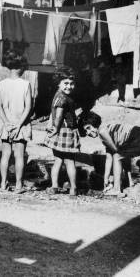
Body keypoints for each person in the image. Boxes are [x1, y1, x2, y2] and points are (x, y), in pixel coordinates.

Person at [81, 111, 140, 197]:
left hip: (139, 135)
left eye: (89, 128)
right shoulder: (105, 130)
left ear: (94, 123)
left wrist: (110, 181)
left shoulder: (102, 131)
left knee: (117, 156)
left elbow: (115, 152)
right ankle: (129, 182)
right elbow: (109, 158)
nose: (88, 133)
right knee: (121, 154)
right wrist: (106, 179)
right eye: (85, 131)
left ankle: (116, 189)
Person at [0, 50, 33, 193]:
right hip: (20, 124)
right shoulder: (25, 84)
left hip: (6, 123)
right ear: (21, 67)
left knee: (5, 154)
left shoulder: (2, 84)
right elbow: (28, 107)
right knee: (19, 155)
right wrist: (18, 125)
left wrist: (6, 123)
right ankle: (18, 185)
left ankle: (3, 184)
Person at [44, 66, 84, 196]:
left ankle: (55, 186)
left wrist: (54, 128)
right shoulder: (65, 98)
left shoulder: (59, 95)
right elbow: (59, 114)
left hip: (61, 131)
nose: (69, 86)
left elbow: (56, 113)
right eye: (66, 83)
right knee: (70, 161)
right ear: (59, 83)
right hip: (66, 131)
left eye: (72, 84)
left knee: (58, 160)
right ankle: (73, 188)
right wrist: (55, 127)